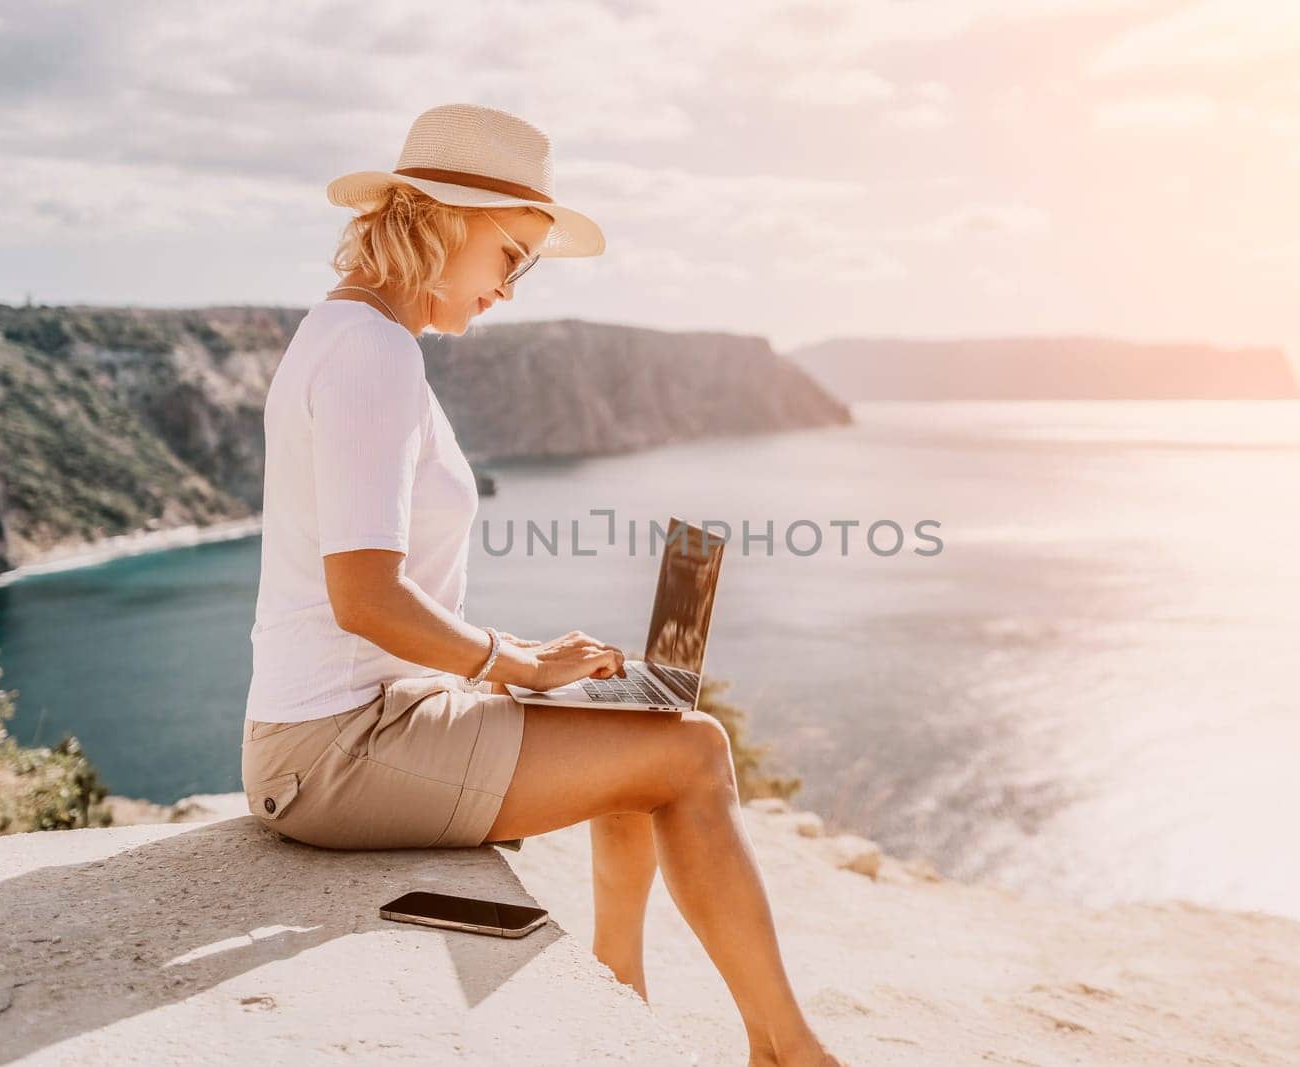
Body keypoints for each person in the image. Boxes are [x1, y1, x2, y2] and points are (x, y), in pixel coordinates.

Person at [239, 104, 846, 1067]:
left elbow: (374, 603)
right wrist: (510, 662)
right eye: (512, 255)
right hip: (335, 755)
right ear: (447, 219)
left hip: (355, 725)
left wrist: (522, 663)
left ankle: (621, 989)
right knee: (692, 753)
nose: (512, 289)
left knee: (640, 721)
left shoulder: (359, 337)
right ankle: (789, 1052)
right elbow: (363, 598)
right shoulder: (373, 354)